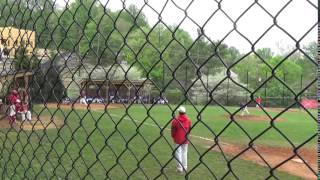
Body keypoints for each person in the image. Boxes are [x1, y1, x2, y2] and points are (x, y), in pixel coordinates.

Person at [171, 106, 192, 174]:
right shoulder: (188, 120)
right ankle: (185, 167)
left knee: (178, 152)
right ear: (185, 112)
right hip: (185, 139)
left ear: (179, 112)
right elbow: (189, 129)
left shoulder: (175, 121)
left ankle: (180, 167)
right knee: (184, 153)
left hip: (177, 139)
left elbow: (173, 131)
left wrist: (173, 136)